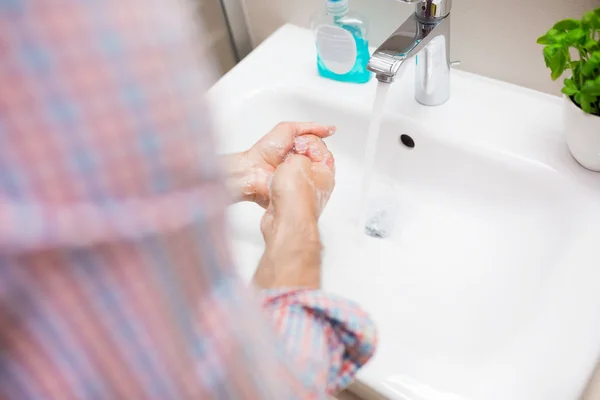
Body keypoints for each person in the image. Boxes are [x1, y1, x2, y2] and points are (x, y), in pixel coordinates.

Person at [0, 0, 377, 399]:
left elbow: (56, 195)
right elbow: (246, 391)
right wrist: (298, 223)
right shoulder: (72, 19)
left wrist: (247, 172)